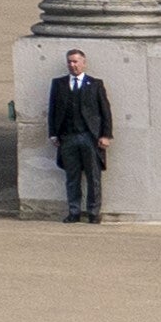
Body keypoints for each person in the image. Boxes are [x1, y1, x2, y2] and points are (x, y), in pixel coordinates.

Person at [44, 48, 114, 222]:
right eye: (69, 61)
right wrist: (53, 133)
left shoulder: (95, 84)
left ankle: (93, 212)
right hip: (68, 137)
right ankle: (74, 212)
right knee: (72, 177)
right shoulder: (59, 84)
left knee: (93, 177)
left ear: (83, 63)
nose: (72, 65)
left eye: (75, 61)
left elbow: (105, 111)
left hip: (89, 137)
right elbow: (52, 110)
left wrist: (105, 135)